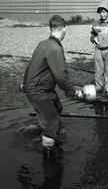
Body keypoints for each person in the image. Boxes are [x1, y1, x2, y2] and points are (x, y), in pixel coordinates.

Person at [22, 15, 83, 149]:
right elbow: (61, 76)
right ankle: (48, 152)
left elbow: (30, 64)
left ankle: (48, 130)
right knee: (51, 122)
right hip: (38, 90)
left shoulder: (43, 43)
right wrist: (73, 92)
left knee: (57, 107)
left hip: (39, 87)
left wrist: (24, 82)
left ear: (49, 30)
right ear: (64, 30)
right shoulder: (55, 48)